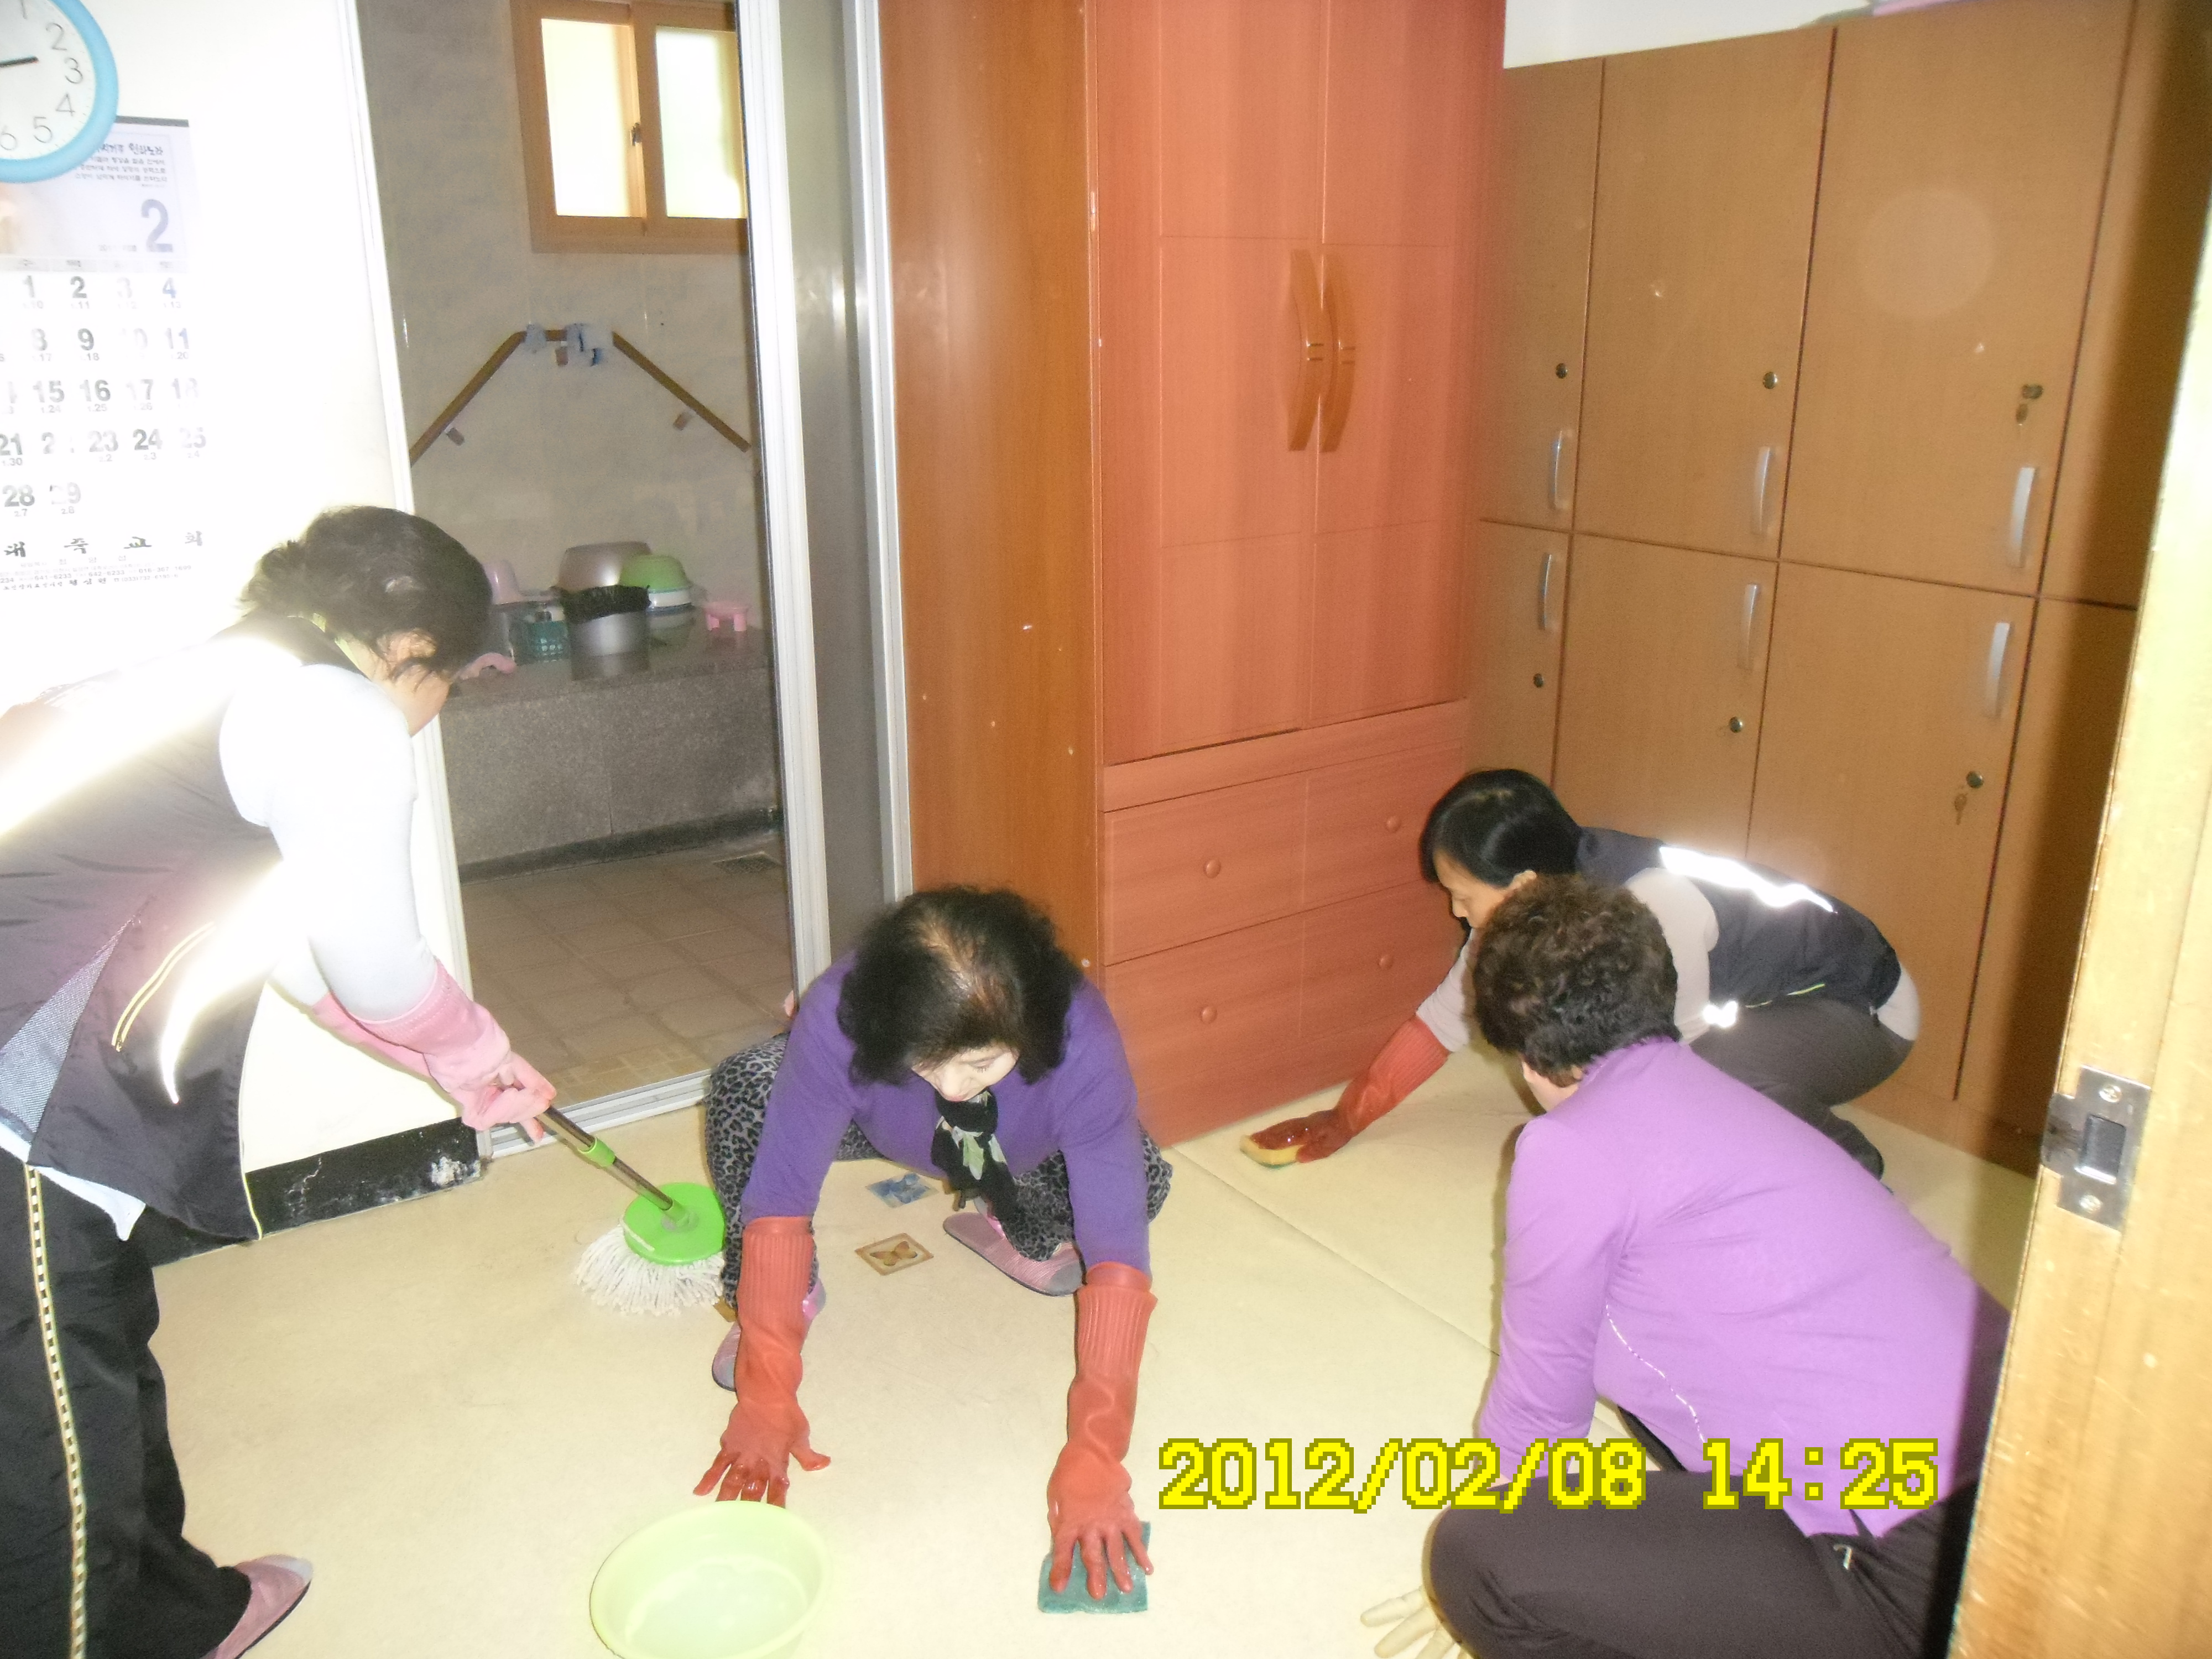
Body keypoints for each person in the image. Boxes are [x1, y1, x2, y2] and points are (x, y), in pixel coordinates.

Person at [0, 508, 556, 1659]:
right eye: (447, 686)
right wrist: (465, 1044)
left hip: (36, 1102)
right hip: (17, 1113)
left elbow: (299, 955)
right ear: (411, 652)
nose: (432, 711)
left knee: (99, 1343)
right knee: (50, 1446)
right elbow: (377, 970)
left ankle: (173, 1619)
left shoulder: (220, 684)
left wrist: (466, 1066)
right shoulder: (335, 712)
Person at [1364, 877, 2006, 1659]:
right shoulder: (1738, 1092)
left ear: (1527, 1058)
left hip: (1921, 1576)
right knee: (1651, 1399)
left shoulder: (1569, 1149)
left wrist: (1506, 1548)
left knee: (1477, 1559)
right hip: (2028, 1466)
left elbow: (1538, 1417)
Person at [696, 887, 1172, 1601]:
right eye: (928, 1061)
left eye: (979, 1062)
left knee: (1141, 1183)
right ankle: (792, 1290)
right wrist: (767, 1391)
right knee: (743, 1088)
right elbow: (781, 1194)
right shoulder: (842, 1011)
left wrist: (1097, 1449)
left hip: (1019, 1145)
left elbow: (1117, 1250)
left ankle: (1010, 1221)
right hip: (884, 1126)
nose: (951, 1085)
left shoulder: (1081, 1038)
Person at [1249, 769, 1915, 1177]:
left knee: (1702, 1083)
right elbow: (1440, 1022)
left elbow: (1674, 1065)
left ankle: (1847, 1167)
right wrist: (1347, 1118)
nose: (1456, 912)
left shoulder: (1653, 906)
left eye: (1462, 895)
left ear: (1522, 885)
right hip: (1768, 1011)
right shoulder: (1530, 905)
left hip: (1859, 1010)